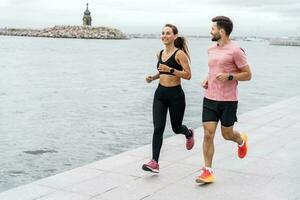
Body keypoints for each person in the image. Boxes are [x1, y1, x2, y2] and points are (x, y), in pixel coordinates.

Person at [196, 16, 252, 183]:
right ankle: (208, 171)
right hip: (210, 98)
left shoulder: (236, 50)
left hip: (228, 100)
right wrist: (208, 78)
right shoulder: (211, 49)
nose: (210, 31)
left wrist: (229, 76)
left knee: (227, 134)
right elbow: (214, 69)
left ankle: (241, 140)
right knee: (208, 134)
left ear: (221, 31)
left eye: (212, 29)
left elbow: (248, 75)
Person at [142, 24, 194, 173]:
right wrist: (153, 77)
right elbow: (161, 71)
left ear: (175, 36)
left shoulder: (179, 54)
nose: (164, 35)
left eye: (168, 33)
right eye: (163, 33)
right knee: (158, 128)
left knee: (176, 128)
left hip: (175, 95)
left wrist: (170, 69)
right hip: (160, 94)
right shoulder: (159, 53)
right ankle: (154, 162)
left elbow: (188, 75)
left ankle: (188, 133)